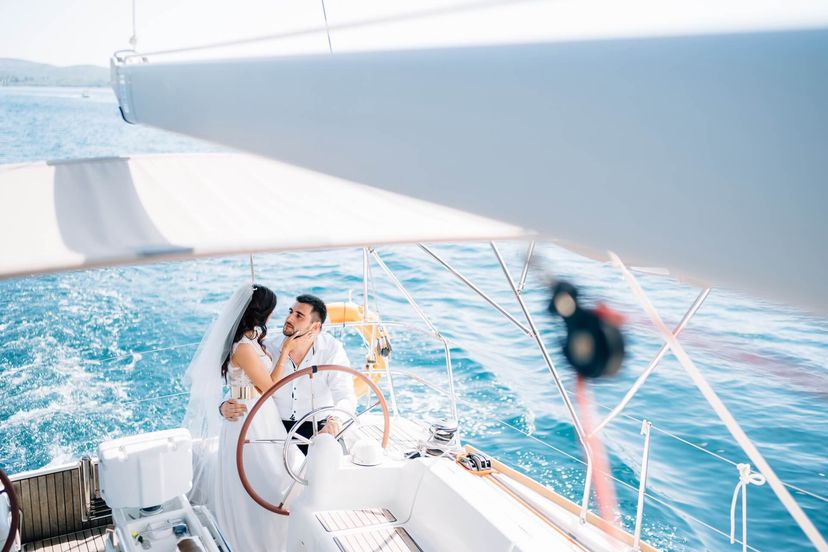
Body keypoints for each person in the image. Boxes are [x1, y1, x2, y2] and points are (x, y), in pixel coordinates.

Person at [182, 284, 302, 552]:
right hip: (249, 417)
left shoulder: (254, 340)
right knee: (260, 479)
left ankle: (277, 533)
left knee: (272, 476)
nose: (275, 315)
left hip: (262, 414)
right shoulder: (244, 347)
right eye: (272, 310)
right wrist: (284, 352)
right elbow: (268, 387)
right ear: (261, 312)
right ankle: (253, 539)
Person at [220, 294, 356, 455]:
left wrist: (335, 421)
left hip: (319, 427)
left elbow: (346, 395)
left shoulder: (331, 350)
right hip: (274, 428)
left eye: (299, 316)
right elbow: (246, 380)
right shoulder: (268, 347)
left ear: (315, 328)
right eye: (290, 312)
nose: (289, 318)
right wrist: (223, 406)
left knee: (331, 461)